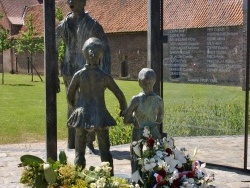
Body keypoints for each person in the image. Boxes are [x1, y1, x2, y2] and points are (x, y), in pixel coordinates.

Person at [56, 0, 111, 151]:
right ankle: (72, 142)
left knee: (89, 103)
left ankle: (88, 141)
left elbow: (105, 49)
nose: (70, 2)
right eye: (69, 0)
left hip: (88, 71)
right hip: (69, 70)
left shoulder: (93, 24)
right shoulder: (64, 24)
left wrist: (106, 74)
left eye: (75, 0)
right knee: (71, 104)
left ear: (84, 2)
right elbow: (52, 46)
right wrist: (53, 73)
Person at [67, 37, 127, 175]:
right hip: (100, 114)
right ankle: (108, 177)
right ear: (100, 55)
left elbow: (70, 95)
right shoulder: (104, 76)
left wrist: (76, 107)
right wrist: (123, 109)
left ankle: (78, 177)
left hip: (82, 114)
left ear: (84, 53)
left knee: (79, 151)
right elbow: (120, 94)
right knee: (105, 150)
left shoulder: (79, 75)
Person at [123, 68, 164, 174]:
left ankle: (136, 179)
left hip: (138, 131)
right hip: (153, 131)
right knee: (155, 156)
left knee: (136, 156)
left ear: (140, 82)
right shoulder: (159, 100)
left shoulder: (136, 99)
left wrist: (133, 118)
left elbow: (126, 120)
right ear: (154, 81)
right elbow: (160, 119)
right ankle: (153, 178)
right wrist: (152, 123)